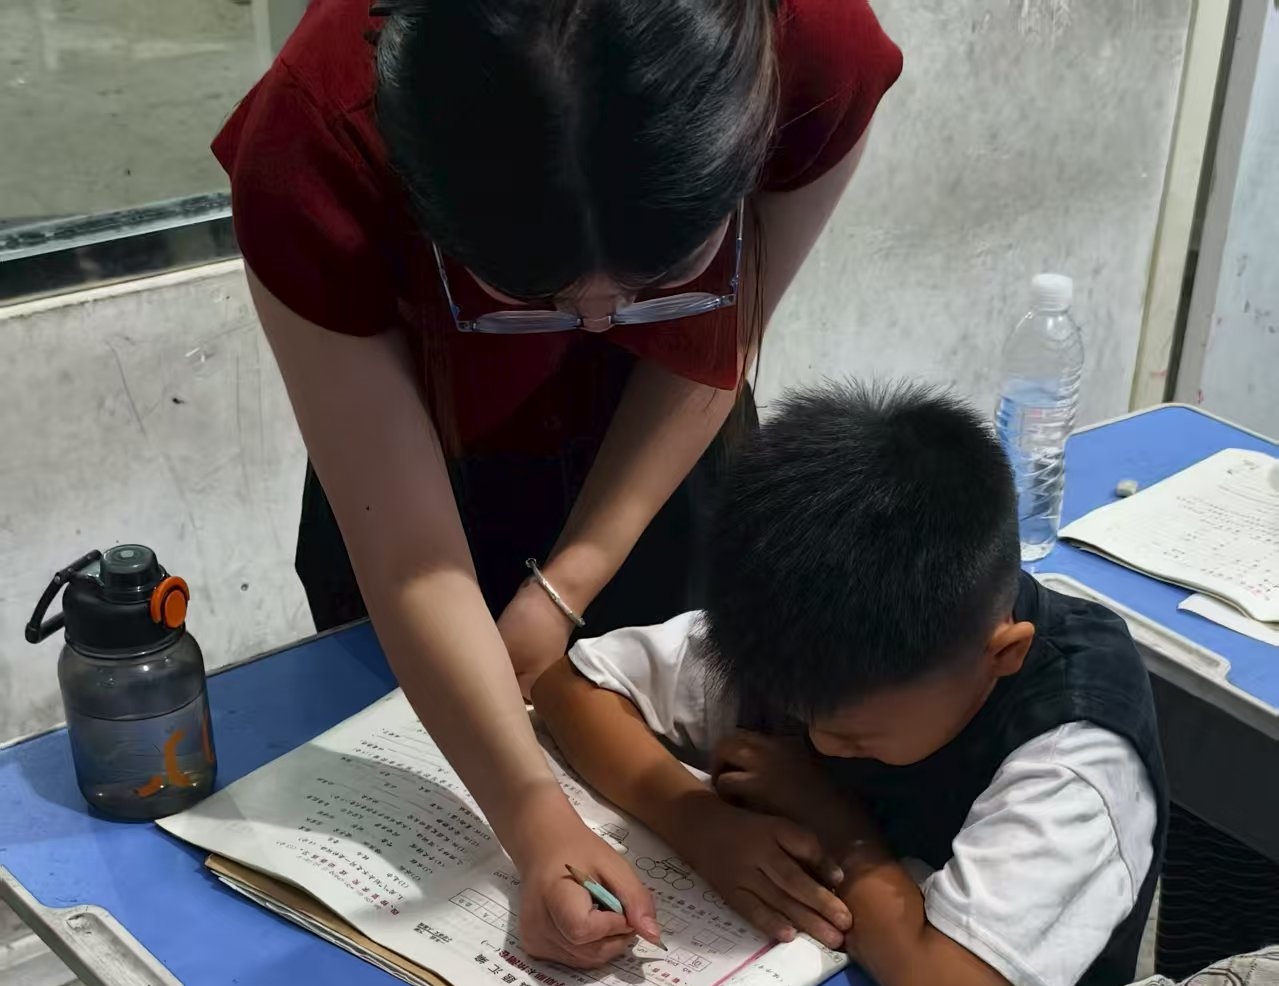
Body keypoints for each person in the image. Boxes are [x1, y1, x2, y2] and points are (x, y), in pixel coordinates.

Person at [214, 0, 902, 967]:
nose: (598, 321)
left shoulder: (815, 51)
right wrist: (535, 820)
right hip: (421, 464)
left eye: (661, 279)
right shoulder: (312, 139)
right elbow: (409, 555)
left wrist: (566, 584)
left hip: (666, 455)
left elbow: (719, 347)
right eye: (530, 294)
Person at [533, 380, 1169, 986]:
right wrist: (696, 821)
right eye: (803, 715)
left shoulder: (1072, 753)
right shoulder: (800, 625)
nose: (820, 744)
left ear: (1002, 654)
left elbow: (951, 976)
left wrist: (838, 827)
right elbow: (569, 688)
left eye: (858, 737)